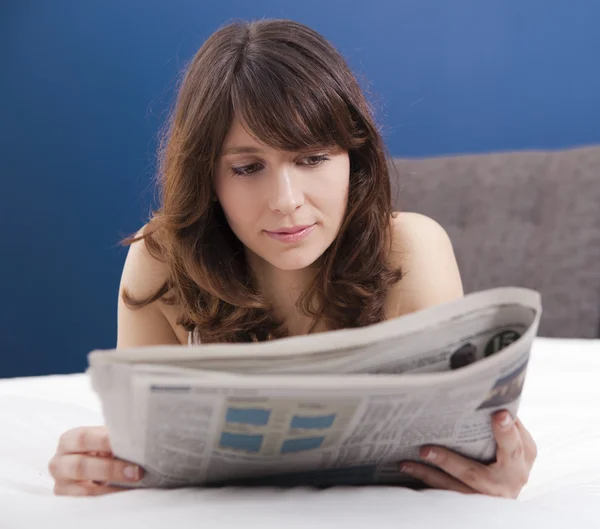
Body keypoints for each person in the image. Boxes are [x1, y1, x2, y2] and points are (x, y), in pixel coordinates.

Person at [48, 18, 537, 497]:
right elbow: (142, 456)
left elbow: (454, 444)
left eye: (312, 159)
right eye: (247, 167)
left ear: (353, 159)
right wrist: (98, 467)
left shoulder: (409, 248)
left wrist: (495, 466)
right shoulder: (162, 258)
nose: (286, 200)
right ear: (207, 177)